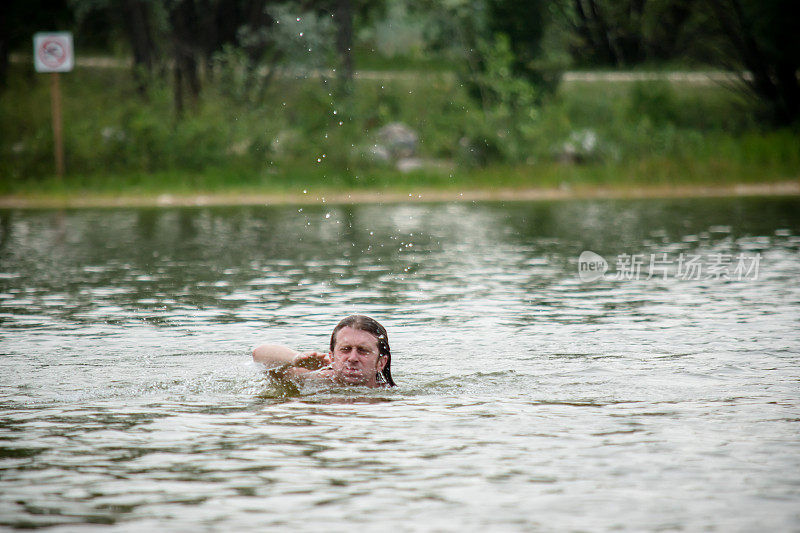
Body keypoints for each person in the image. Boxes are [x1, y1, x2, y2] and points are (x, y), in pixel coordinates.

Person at [252, 315, 396, 388]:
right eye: (345, 350)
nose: (352, 358)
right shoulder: (317, 380)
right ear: (331, 357)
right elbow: (259, 354)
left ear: (381, 363)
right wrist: (295, 358)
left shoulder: (390, 400)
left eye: (363, 350)